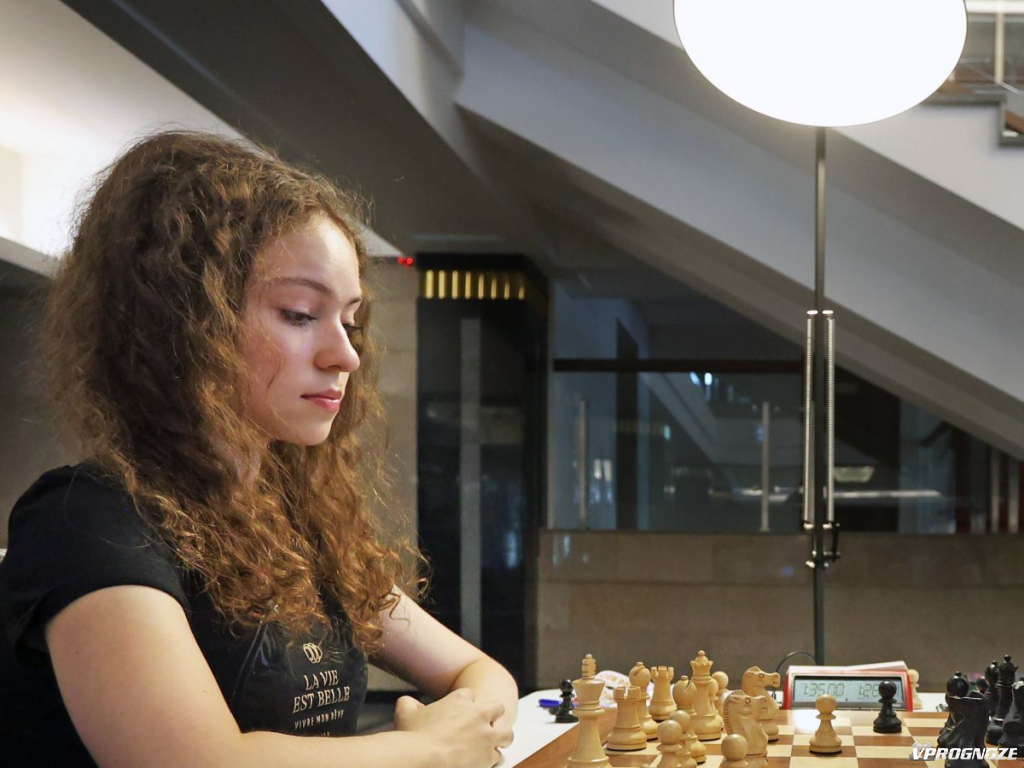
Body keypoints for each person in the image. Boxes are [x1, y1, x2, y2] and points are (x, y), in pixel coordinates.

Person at [0, 130, 517, 767]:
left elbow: (480, 672)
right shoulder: (87, 520)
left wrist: (457, 727)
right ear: (185, 323)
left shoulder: (293, 520)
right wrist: (425, 749)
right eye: (300, 314)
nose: (346, 356)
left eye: (350, 320)